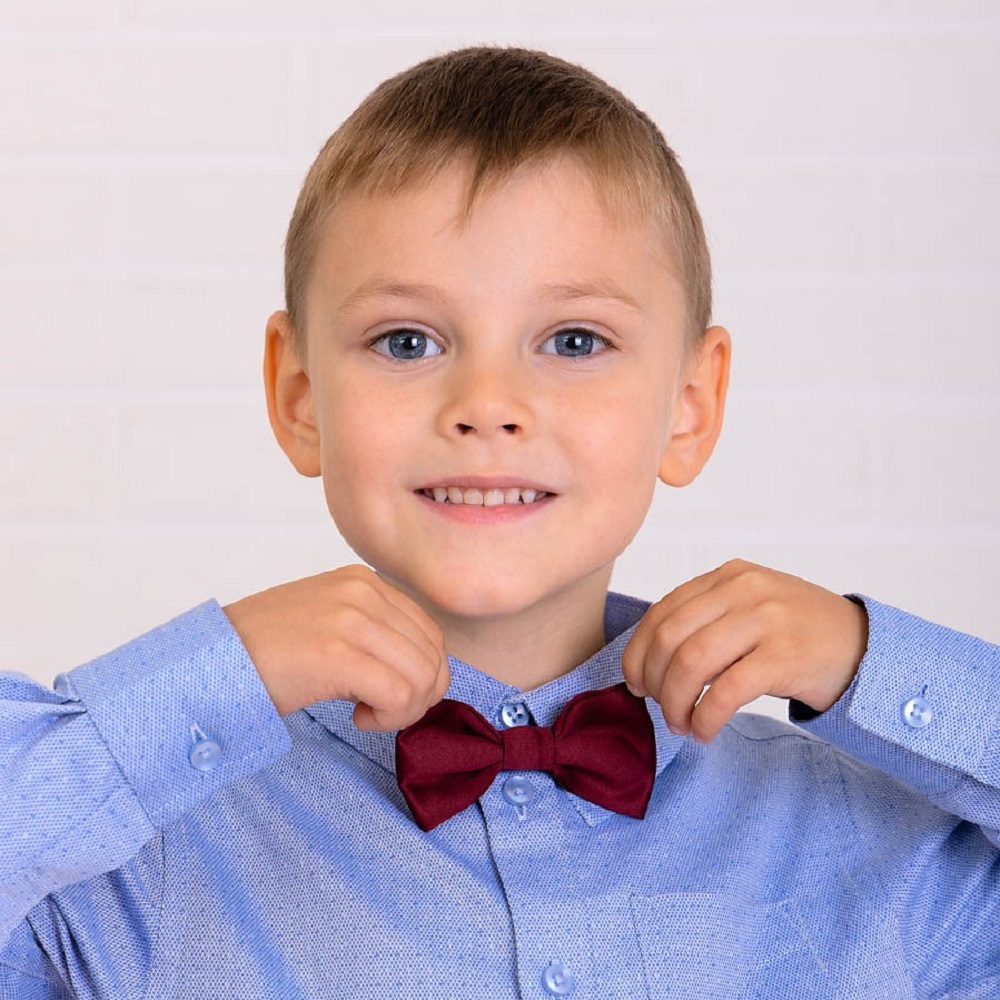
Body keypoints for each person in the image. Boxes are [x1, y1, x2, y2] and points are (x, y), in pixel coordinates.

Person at [1, 44, 997, 1000]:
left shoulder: (887, 851)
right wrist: (214, 677)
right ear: (299, 394)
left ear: (689, 404)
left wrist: (872, 663)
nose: (487, 402)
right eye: (406, 339)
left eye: (573, 339)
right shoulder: (140, 853)